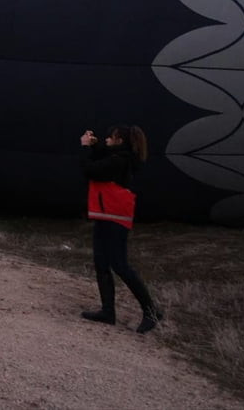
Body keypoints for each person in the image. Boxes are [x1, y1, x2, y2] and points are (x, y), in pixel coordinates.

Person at [78, 125, 163, 333]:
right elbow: (104, 155)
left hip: (114, 217)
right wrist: (95, 144)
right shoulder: (120, 157)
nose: (107, 138)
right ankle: (108, 312)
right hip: (105, 214)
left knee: (120, 265)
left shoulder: (120, 161)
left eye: (111, 137)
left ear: (120, 141)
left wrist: (84, 148)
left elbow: (91, 170)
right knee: (101, 262)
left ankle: (151, 311)